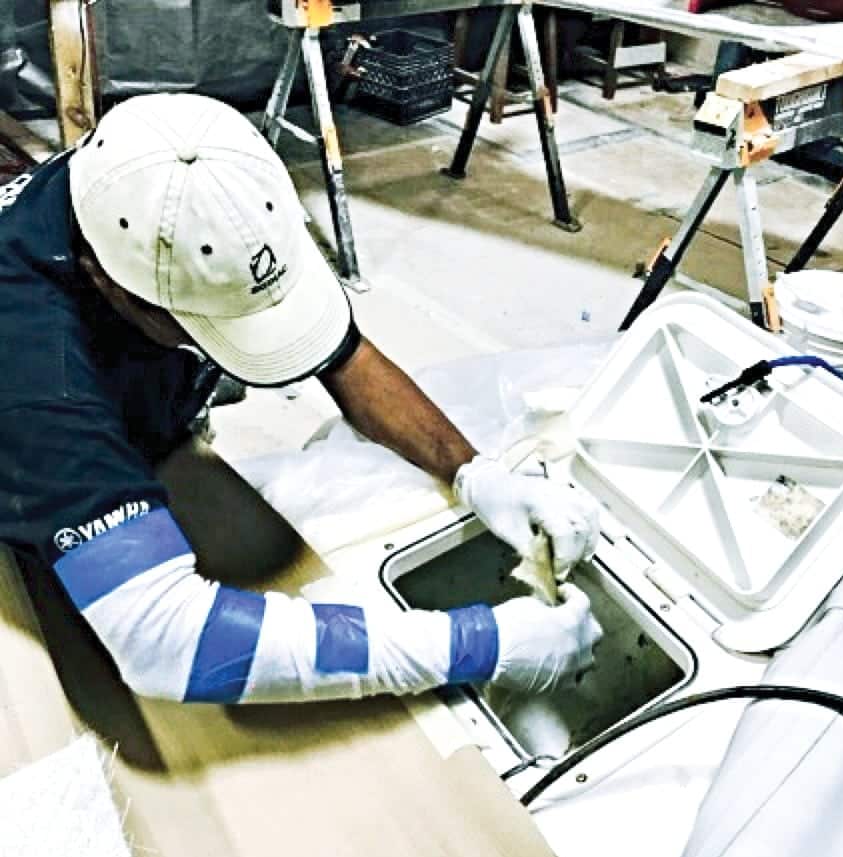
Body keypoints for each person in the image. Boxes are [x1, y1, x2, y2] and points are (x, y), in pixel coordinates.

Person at [0, 91, 602, 705]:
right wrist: (474, 644)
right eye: (204, 326)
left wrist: (476, 473)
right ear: (107, 282)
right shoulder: (38, 375)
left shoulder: (160, 177)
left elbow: (342, 355)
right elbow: (168, 646)